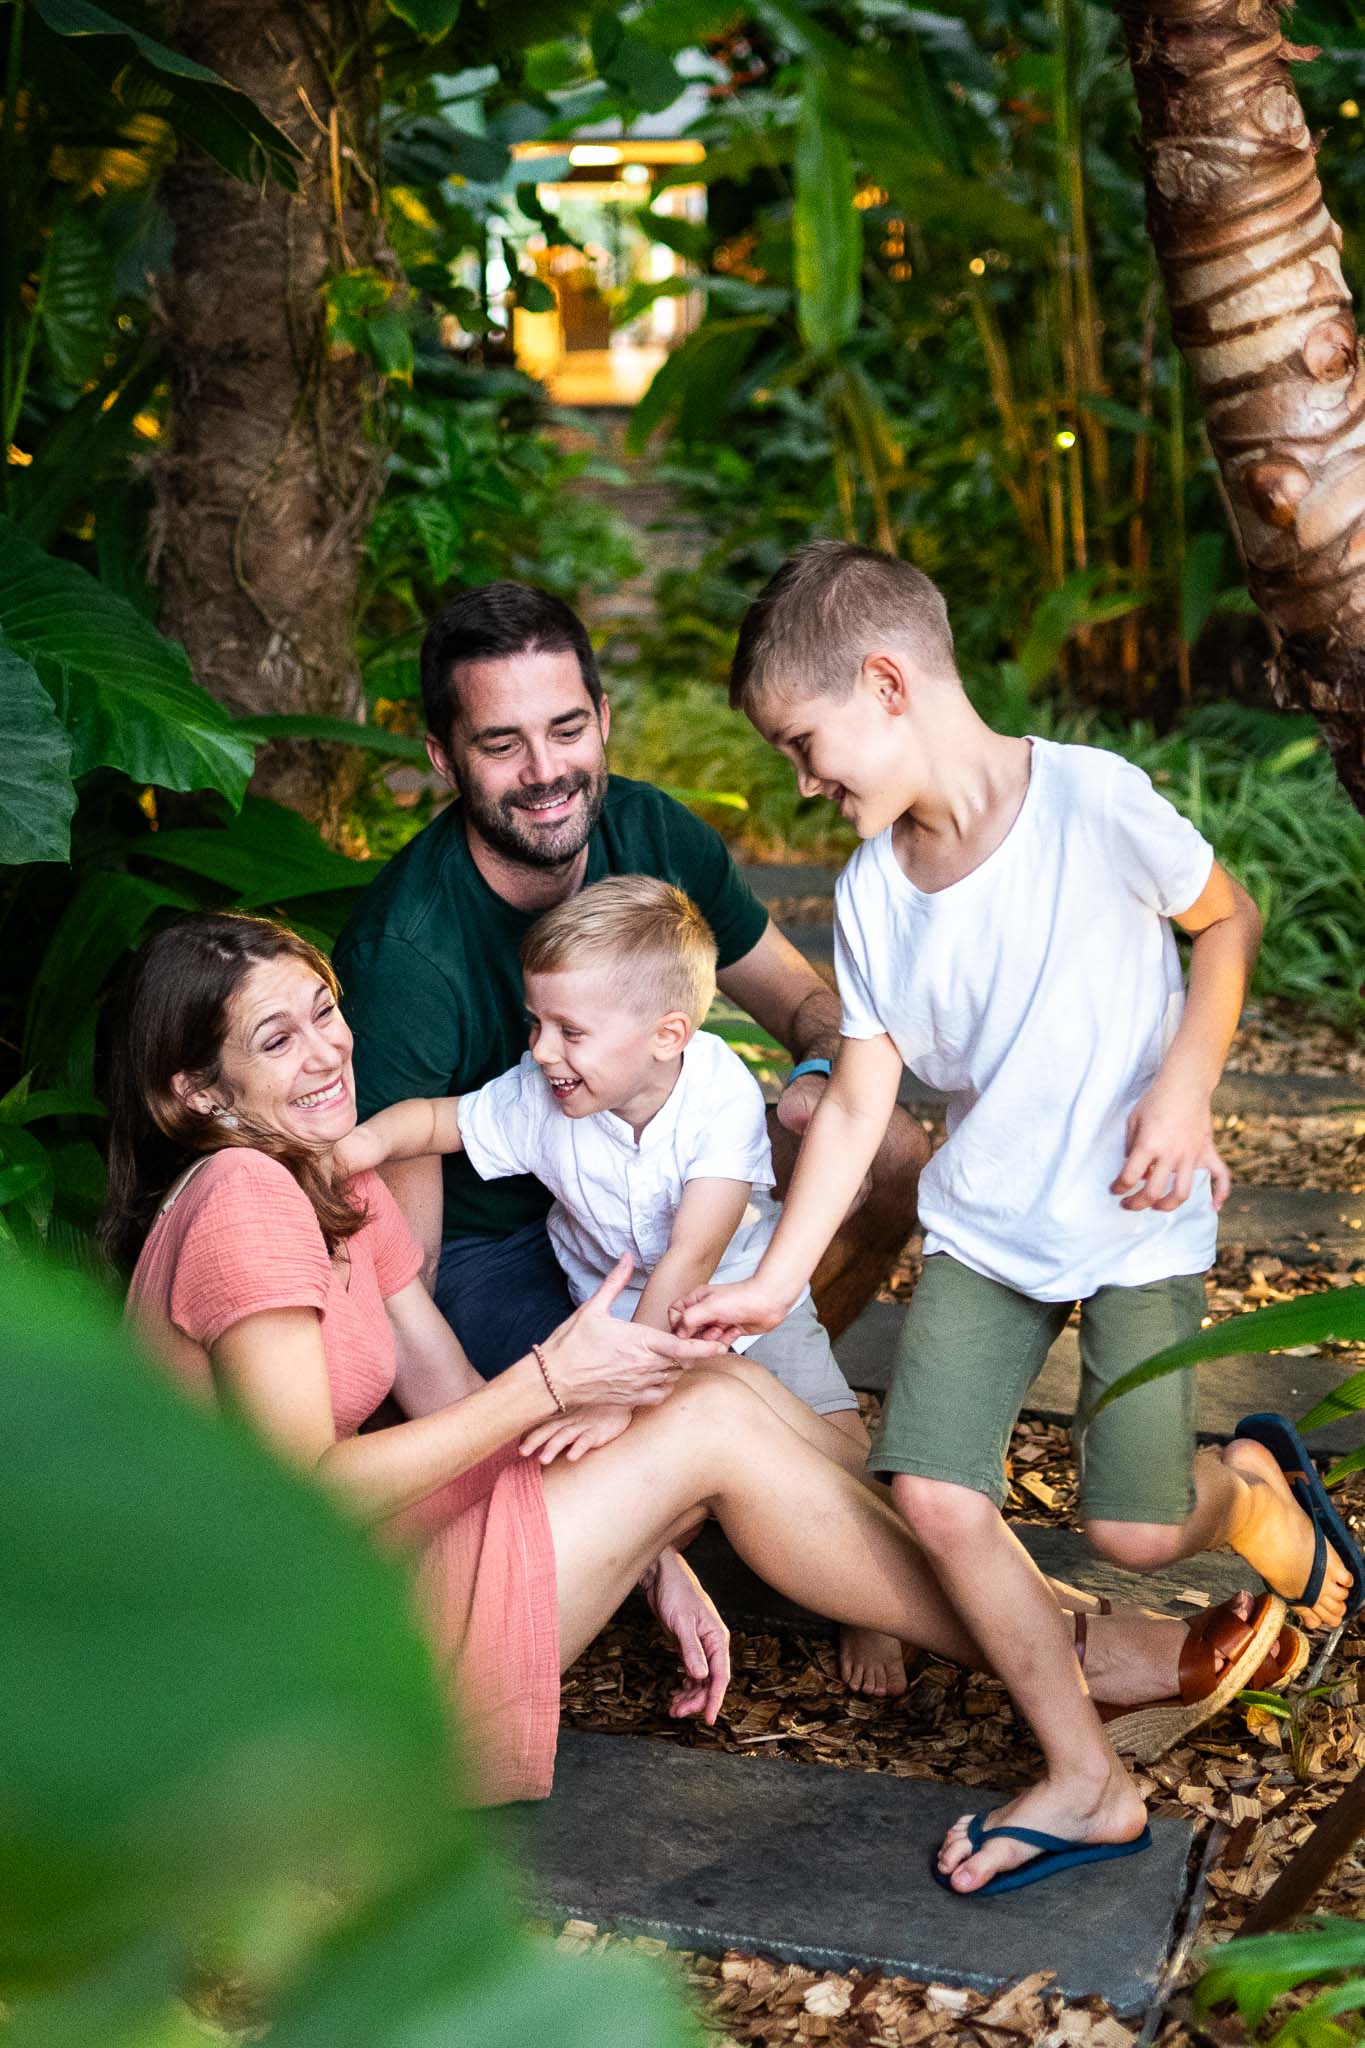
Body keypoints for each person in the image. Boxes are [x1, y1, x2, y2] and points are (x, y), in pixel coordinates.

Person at [102, 911, 1296, 1826]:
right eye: (276, 1037)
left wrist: (648, 1550)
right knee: (708, 1420)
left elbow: (447, 1401)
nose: (326, 1052)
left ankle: (1070, 1637)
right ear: (193, 1093)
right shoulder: (245, 1196)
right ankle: (1081, 1651)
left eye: (323, 1010)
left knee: (717, 1395)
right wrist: (555, 1384)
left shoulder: (330, 1175)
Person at [675, 541, 1350, 1896]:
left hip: (1135, 1210)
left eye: (807, 746)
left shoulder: (1093, 802)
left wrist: (1184, 1087)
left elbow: (1226, 922)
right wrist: (773, 1282)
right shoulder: (872, 898)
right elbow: (862, 1105)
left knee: (1137, 1537)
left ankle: (1257, 1494)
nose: (804, 784)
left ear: (885, 684)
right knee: (930, 1489)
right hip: (988, 1225)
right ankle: (1085, 1779)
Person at [334, 579, 929, 1696]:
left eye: (566, 728)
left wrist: (810, 1079)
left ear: (603, 717)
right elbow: (400, 1270)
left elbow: (812, 1011)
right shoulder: (406, 956)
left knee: (884, 1146)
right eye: (501, 743)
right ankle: (681, 1482)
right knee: (662, 1403)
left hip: (660, 1194)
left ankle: (733, 1436)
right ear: (443, 753)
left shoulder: (649, 832)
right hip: (500, 1247)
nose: (546, 769)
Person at [336, 875, 862, 1461]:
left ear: (667, 1036)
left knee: (835, 1445)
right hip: (608, 1314)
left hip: (739, 1301)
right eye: (536, 1022)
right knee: (637, 1459)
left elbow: (694, 1253)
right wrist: (364, 1145)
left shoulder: (720, 1095)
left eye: (571, 1032)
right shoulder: (542, 1096)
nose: (540, 1049)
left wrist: (622, 1394)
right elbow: (439, 1122)